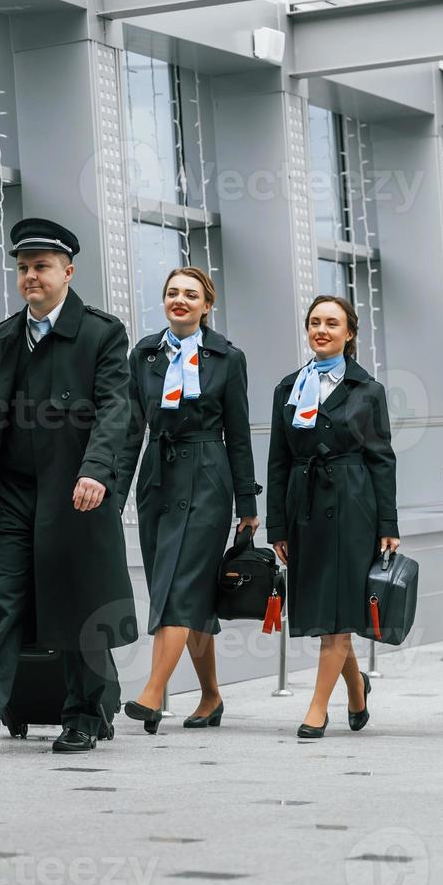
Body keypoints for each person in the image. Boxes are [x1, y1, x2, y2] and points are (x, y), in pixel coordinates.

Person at [0, 218, 137, 754]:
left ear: (67, 272)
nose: (31, 276)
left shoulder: (102, 333)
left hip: (74, 491)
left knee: (74, 601)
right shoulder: (3, 337)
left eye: (42, 267)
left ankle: (84, 715)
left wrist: (95, 469)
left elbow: (116, 407)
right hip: (10, 492)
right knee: (5, 599)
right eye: (23, 268)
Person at [118, 267, 260, 733]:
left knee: (179, 584)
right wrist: (115, 491)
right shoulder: (143, 353)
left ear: (206, 304)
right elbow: (129, 427)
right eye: (172, 293)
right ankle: (211, 696)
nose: (180, 300)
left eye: (191, 295)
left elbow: (238, 434)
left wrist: (248, 505)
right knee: (183, 589)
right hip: (157, 476)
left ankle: (153, 693)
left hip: (207, 475)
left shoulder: (226, 357)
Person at [267, 295, 398, 739]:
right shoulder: (288, 387)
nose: (322, 330)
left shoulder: (368, 389)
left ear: (349, 333)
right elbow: (277, 460)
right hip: (303, 505)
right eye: (315, 322)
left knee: (338, 615)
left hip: (352, 506)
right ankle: (357, 690)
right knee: (328, 610)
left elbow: (382, 459)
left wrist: (388, 525)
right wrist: (277, 526)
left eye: (332, 323)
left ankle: (316, 708)